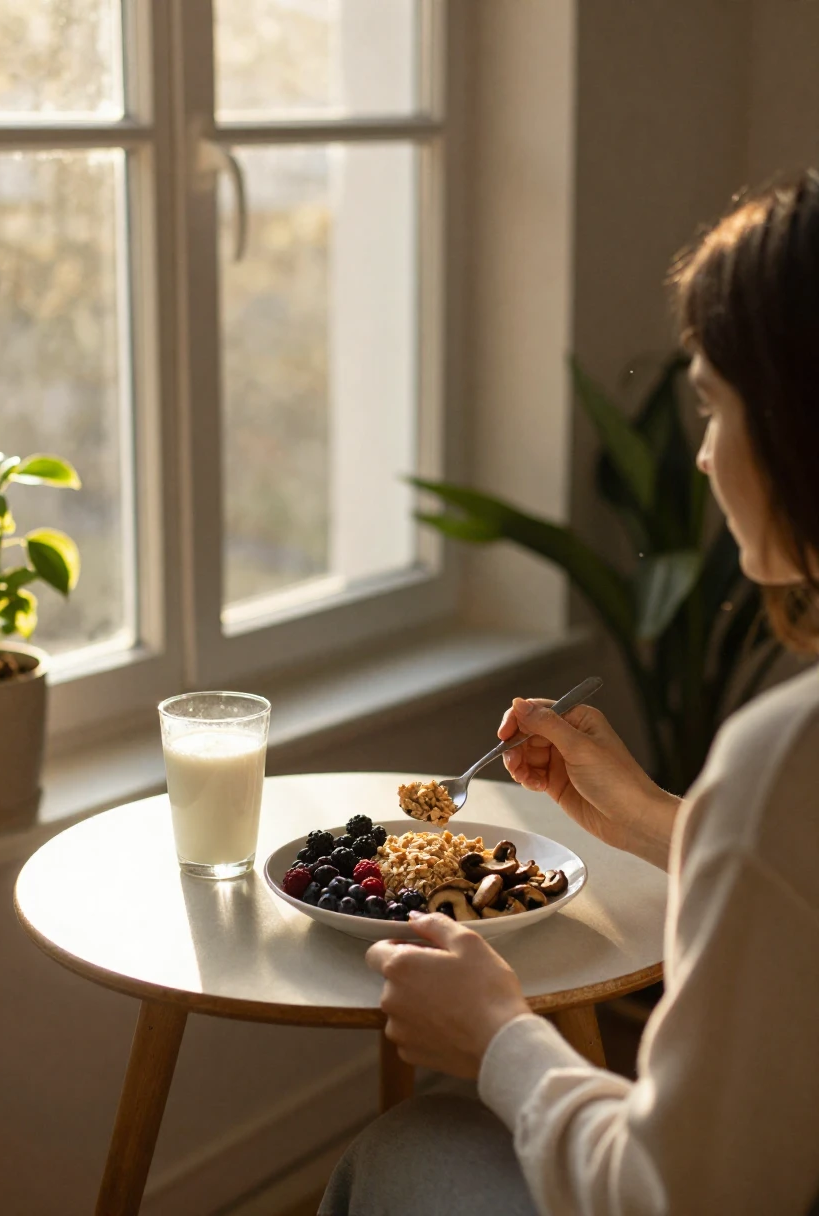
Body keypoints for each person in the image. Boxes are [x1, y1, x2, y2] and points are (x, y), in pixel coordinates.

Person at [318, 171, 819, 1216]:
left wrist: (498, 1037)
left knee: (400, 1147)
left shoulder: (787, 752)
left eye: (714, 407)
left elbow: (671, 1196)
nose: (700, 451)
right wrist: (641, 816)